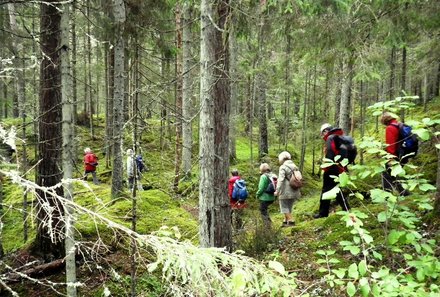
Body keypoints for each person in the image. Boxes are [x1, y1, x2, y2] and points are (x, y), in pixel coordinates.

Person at [314, 123, 350, 218]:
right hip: (340, 168)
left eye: (322, 133)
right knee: (337, 190)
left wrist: (328, 166)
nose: (322, 136)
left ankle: (323, 213)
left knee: (326, 190)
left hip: (332, 168)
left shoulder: (330, 138)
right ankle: (346, 208)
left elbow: (330, 153)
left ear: (326, 131)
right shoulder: (339, 137)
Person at [380, 112, 410, 196]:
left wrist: (390, 158)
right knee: (394, 175)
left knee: (386, 174)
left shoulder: (390, 128)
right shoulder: (399, 124)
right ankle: (404, 194)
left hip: (395, 155)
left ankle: (387, 195)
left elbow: (391, 145)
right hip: (404, 154)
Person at [275, 151, 301, 227]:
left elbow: (280, 179)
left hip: (285, 190)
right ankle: (285, 221)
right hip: (294, 189)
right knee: (289, 206)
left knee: (283, 206)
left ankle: (290, 220)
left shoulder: (283, 167)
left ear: (281, 159)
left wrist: (277, 190)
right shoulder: (295, 166)